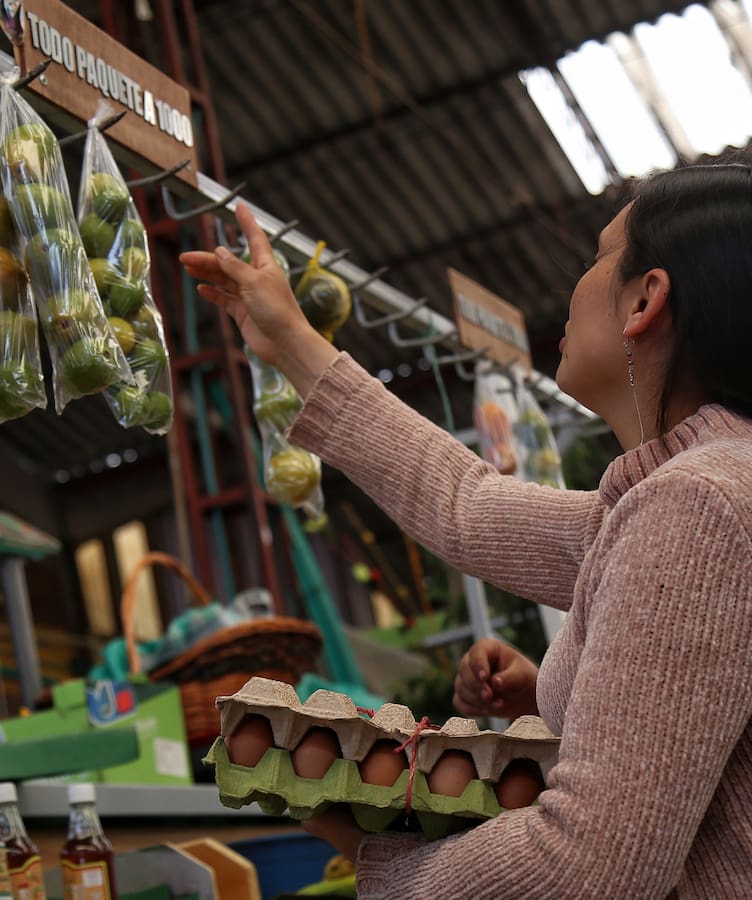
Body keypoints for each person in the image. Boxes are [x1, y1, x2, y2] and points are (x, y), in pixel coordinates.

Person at [180, 165, 752, 898]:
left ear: (647, 299)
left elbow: (590, 864)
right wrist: (290, 339)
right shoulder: (690, 495)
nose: (577, 284)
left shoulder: (697, 509)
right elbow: (466, 504)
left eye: (598, 257)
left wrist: (384, 866)